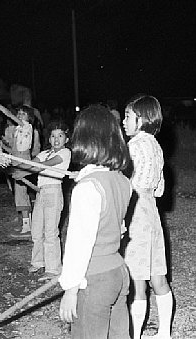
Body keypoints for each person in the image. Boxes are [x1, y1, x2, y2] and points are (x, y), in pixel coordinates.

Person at [59, 104, 132, 339]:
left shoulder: (87, 188)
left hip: (94, 280)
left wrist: (70, 289)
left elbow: (79, 244)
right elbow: (120, 229)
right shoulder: (123, 182)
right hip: (118, 273)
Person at [122, 94, 174, 339]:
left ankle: (135, 335)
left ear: (141, 119)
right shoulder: (155, 144)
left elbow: (127, 184)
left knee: (137, 280)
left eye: (128, 116)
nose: (124, 121)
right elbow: (160, 188)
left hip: (136, 211)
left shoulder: (133, 146)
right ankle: (164, 332)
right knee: (158, 275)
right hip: (151, 211)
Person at [12, 120, 71, 281]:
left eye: (60, 136)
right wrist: (19, 168)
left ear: (66, 139)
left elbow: (46, 165)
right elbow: (32, 164)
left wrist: (23, 173)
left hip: (54, 192)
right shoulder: (44, 153)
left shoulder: (65, 153)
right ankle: (38, 262)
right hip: (41, 193)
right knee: (37, 230)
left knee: (50, 232)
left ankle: (53, 269)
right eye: (53, 136)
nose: (56, 139)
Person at [0, 105, 36, 237]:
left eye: (23, 114)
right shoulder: (17, 131)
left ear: (29, 118)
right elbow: (14, 152)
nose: (19, 116)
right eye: (18, 113)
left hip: (22, 163)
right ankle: (26, 224)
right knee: (20, 195)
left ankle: (27, 227)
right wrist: (2, 146)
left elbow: (9, 114)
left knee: (21, 194)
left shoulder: (26, 127)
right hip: (16, 161)